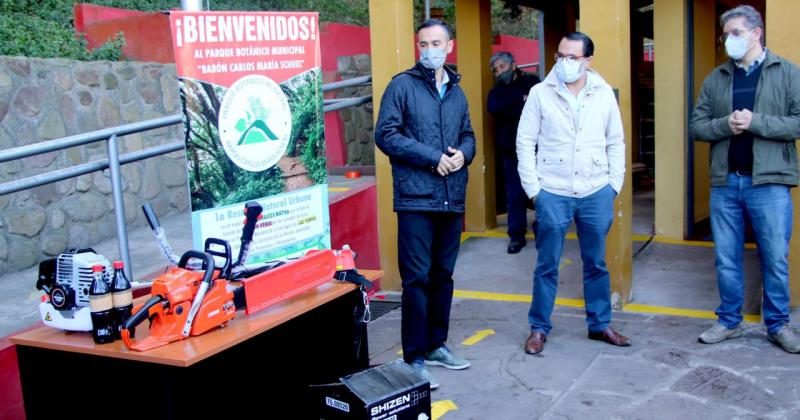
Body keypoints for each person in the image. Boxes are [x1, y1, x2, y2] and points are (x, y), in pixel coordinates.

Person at [690, 5, 800, 353]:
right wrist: (726, 125)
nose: (729, 41)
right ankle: (729, 321)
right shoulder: (717, 77)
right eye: (725, 35)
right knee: (726, 257)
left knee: (774, 258)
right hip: (726, 183)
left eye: (736, 33)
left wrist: (756, 122)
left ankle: (778, 325)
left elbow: (798, 122)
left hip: (769, 183)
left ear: (756, 33)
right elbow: (697, 126)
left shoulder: (788, 72)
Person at [374, 18, 476, 388]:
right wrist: (433, 157)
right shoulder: (402, 86)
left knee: (442, 276)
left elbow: (468, 134)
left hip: (451, 197)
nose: (429, 50)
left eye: (436, 43)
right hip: (416, 197)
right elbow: (385, 135)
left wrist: (464, 154)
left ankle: (436, 345)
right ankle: (414, 356)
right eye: (423, 44)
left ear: (450, 45)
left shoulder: (457, 91)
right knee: (416, 279)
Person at [516, 32, 629, 355]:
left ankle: (599, 324)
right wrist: (535, 190)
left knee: (596, 262)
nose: (564, 63)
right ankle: (539, 328)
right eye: (560, 56)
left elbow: (615, 142)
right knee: (547, 263)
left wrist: (612, 186)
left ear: (588, 60)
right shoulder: (540, 93)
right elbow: (525, 141)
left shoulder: (603, 93)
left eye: (572, 58)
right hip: (552, 190)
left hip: (596, 191)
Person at [487, 51, 541, 254]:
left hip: (536, 149)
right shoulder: (496, 91)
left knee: (540, 193)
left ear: (513, 65)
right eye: (495, 70)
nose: (499, 72)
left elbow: (540, 105)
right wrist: (521, 100)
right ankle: (516, 236)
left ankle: (541, 233)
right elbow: (494, 107)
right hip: (510, 151)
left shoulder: (532, 81)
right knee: (514, 194)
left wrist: (513, 105)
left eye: (502, 67)